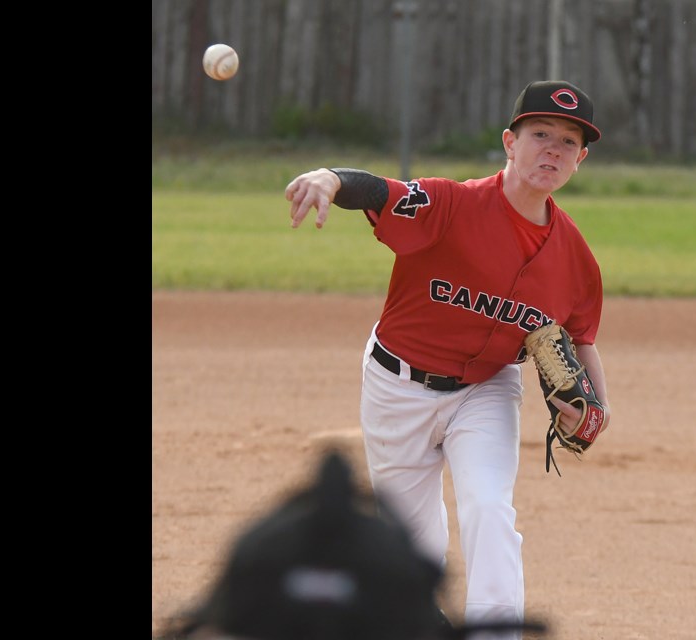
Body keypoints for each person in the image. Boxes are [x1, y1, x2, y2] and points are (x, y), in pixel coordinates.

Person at [283, 80, 611, 639]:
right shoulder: (449, 203)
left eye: (567, 142)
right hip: (397, 386)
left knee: (488, 508)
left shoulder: (576, 259)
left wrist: (599, 406)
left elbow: (581, 338)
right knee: (411, 546)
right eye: (540, 135)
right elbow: (377, 191)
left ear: (580, 159)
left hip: (486, 389)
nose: (551, 150)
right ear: (510, 142)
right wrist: (329, 178)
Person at [158, 451, 544, 639]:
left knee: (488, 508)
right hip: (398, 384)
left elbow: (214, 617)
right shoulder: (391, 566)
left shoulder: (260, 549)